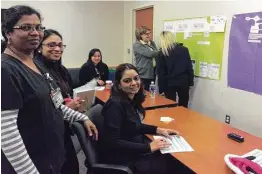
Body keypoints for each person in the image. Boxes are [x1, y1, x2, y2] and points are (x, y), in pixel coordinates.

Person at [1, 5, 98, 174]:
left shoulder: (37, 65)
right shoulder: (6, 69)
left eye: (38, 27)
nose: (35, 32)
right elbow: (6, 132)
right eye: (26, 27)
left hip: (53, 157)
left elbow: (56, 105)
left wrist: (82, 117)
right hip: (31, 164)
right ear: (8, 32)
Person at [99, 63, 184, 174]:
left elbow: (134, 125)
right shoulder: (115, 105)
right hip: (123, 158)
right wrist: (148, 147)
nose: (134, 83)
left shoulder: (130, 100)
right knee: (174, 164)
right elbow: (112, 142)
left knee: (171, 159)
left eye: (136, 78)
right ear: (119, 85)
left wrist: (159, 130)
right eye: (127, 80)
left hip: (133, 148)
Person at [35, 29, 83, 174]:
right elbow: (39, 109)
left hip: (63, 127)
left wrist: (74, 105)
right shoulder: (36, 71)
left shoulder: (61, 69)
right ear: (39, 47)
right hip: (46, 134)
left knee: (71, 167)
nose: (57, 49)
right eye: (51, 45)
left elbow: (64, 95)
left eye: (60, 45)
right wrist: (67, 107)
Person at [157, 31, 194, 108]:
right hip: (183, 81)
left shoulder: (162, 53)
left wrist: (161, 89)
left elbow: (161, 72)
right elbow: (189, 67)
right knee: (184, 105)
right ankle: (183, 119)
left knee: (171, 106)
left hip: (169, 83)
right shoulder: (184, 49)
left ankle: (173, 119)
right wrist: (190, 82)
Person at [133, 26, 160, 90]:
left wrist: (157, 52)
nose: (148, 35)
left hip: (153, 70)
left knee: (151, 90)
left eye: (149, 33)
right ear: (140, 35)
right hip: (143, 73)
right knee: (144, 91)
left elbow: (156, 54)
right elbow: (149, 54)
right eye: (146, 34)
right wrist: (162, 50)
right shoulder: (137, 45)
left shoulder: (152, 43)